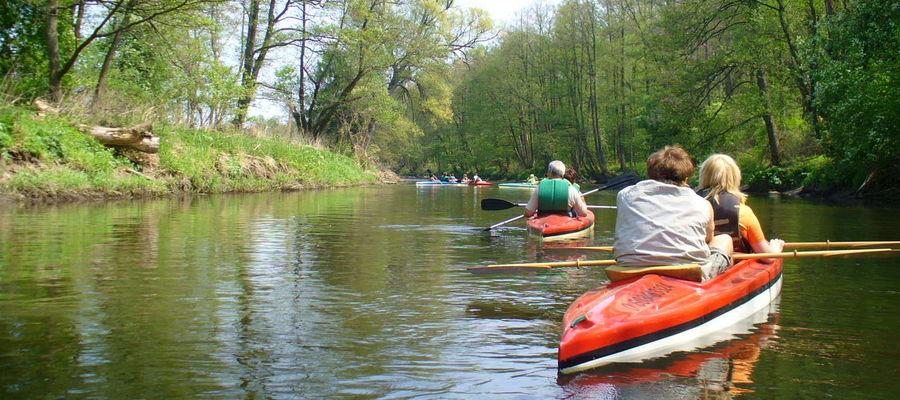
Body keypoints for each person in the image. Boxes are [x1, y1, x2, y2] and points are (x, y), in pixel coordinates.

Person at [613, 146, 734, 281]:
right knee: (724, 239)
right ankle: (718, 282)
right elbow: (707, 238)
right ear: (686, 177)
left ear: (650, 173)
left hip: (629, 269)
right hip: (686, 273)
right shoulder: (703, 204)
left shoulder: (624, 195)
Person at [698, 154, 784, 261]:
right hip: (734, 266)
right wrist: (776, 248)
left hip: (700, 263)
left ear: (703, 176)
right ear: (735, 177)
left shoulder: (691, 206)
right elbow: (767, 257)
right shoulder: (743, 212)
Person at [524, 160, 589, 218]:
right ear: (563, 174)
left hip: (543, 223)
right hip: (564, 224)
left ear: (549, 172)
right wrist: (582, 199)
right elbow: (583, 213)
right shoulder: (571, 189)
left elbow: (528, 213)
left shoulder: (540, 188)